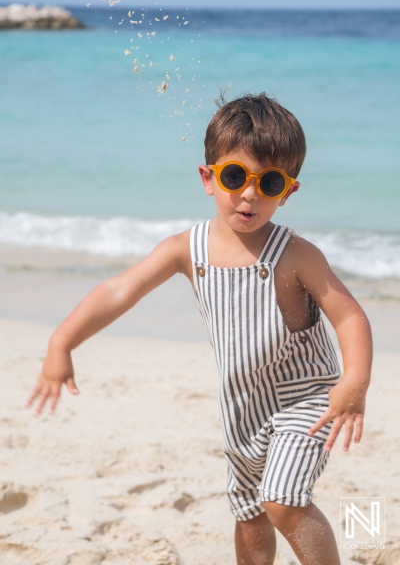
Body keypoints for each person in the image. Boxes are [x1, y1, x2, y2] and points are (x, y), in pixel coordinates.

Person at [27, 93, 372, 565]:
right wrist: (60, 341)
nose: (250, 193)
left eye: (268, 182)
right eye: (235, 176)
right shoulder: (185, 249)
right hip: (241, 407)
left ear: (288, 191)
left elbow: (349, 315)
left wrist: (354, 383)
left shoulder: (296, 255)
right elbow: (119, 291)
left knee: (283, 502)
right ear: (208, 178)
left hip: (306, 399)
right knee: (250, 514)